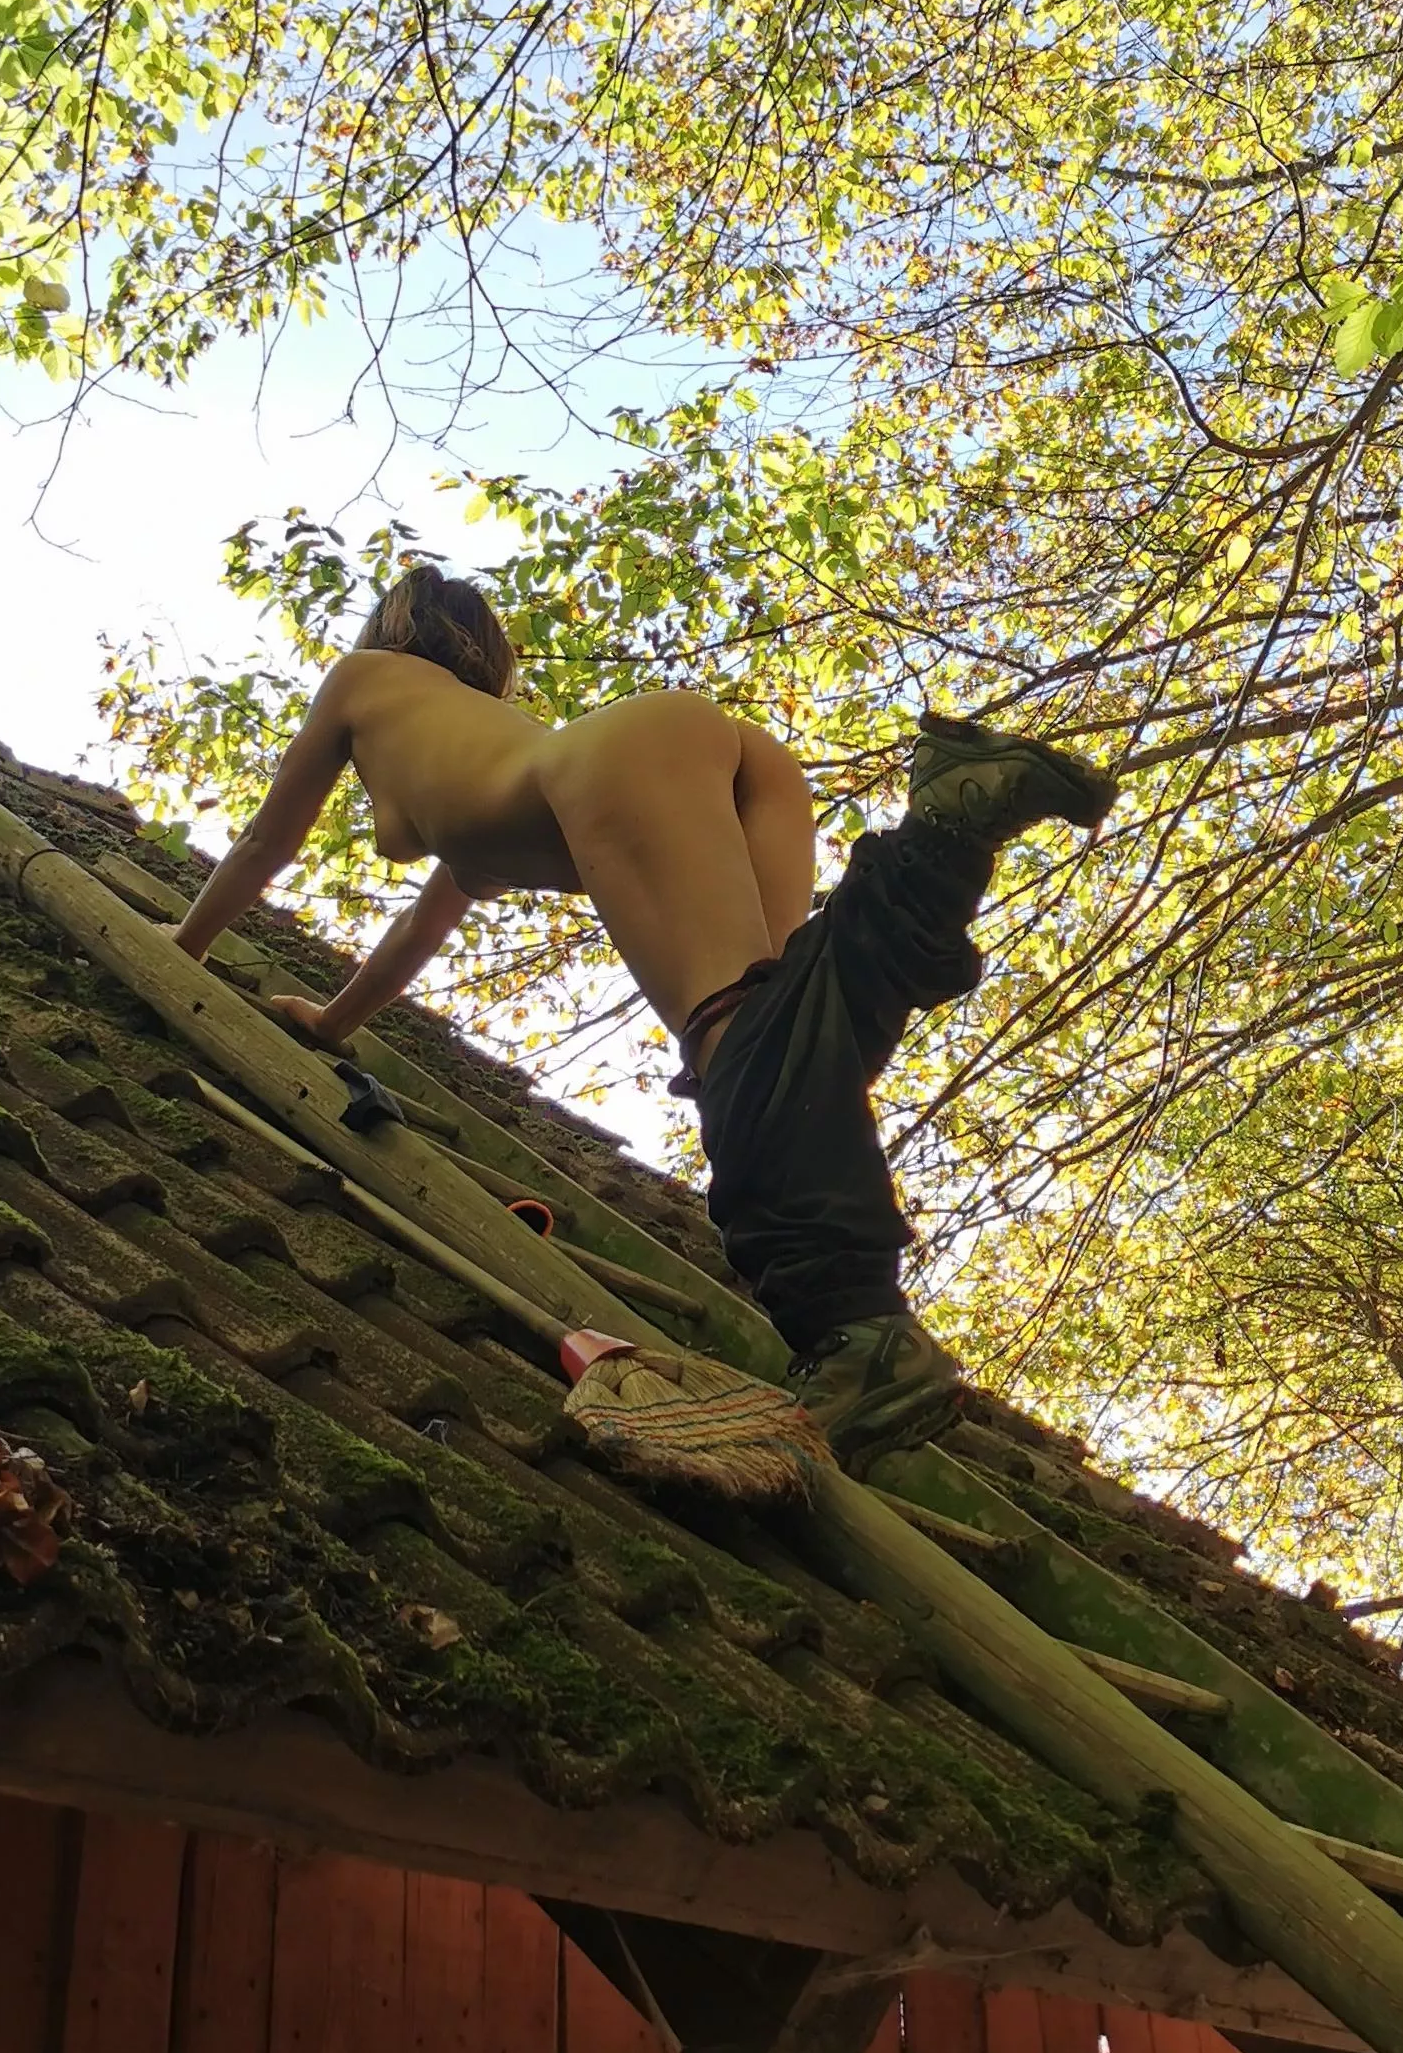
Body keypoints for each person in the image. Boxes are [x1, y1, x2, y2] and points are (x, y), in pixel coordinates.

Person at [169, 562, 1114, 1460]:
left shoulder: (364, 678)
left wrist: (184, 948)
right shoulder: (492, 742)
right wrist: (332, 1025)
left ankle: (857, 1331)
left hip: (626, 754)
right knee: (782, 1045)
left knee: (733, 1043)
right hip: (734, 757)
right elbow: (425, 923)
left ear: (392, 628)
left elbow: (265, 842)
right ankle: (945, 840)